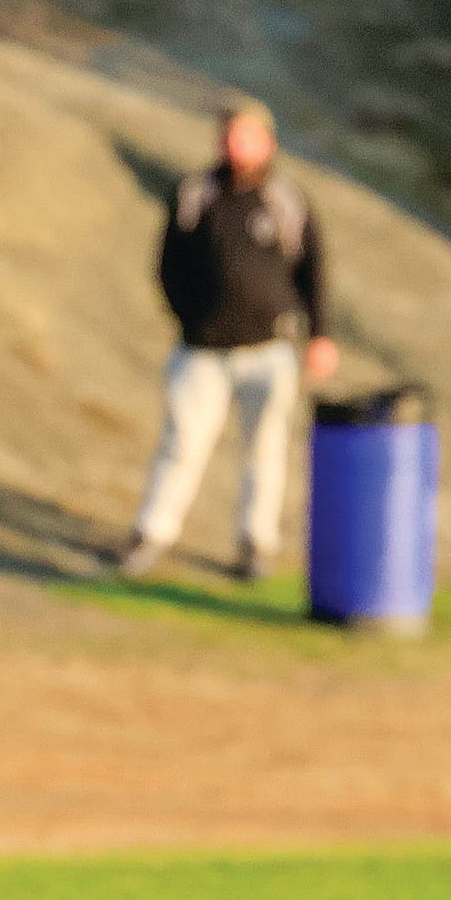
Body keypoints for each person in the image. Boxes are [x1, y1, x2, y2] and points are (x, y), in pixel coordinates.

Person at [122, 100, 337, 581]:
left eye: (245, 136)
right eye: (228, 135)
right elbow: (167, 267)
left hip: (268, 351)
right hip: (202, 351)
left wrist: (319, 334)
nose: (235, 145)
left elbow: (313, 271)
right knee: (182, 444)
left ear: (268, 142)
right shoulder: (195, 194)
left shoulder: (287, 200)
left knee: (263, 450)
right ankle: (151, 534)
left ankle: (254, 545)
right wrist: (190, 319)